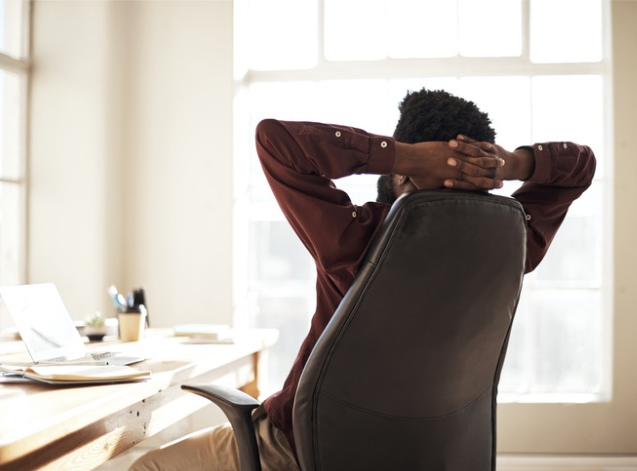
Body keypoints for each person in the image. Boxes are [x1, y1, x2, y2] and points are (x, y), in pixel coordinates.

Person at [130, 88, 596, 470]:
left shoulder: (359, 238)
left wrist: (405, 157)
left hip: (304, 451)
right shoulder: (512, 244)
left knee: (141, 467)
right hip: (425, 454)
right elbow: (581, 166)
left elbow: (276, 140)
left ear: (401, 176)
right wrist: (515, 164)